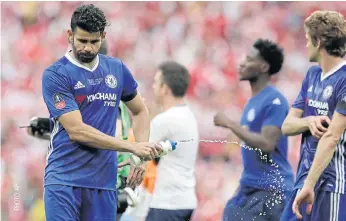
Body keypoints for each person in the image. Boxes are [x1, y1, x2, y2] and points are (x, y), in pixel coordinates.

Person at [41, 4, 161, 221]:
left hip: (104, 183)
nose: (87, 48)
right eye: (82, 41)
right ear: (70, 35)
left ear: (103, 37)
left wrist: (141, 160)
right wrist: (132, 147)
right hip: (64, 181)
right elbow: (77, 131)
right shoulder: (56, 75)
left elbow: (141, 111)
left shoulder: (116, 69)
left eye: (94, 42)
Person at [214, 39, 294, 221]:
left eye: (249, 59)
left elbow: (267, 143)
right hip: (251, 187)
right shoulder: (252, 102)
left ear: (264, 67)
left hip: (272, 190)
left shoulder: (275, 100)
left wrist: (230, 124)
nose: (242, 63)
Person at [280, 10, 346, 221]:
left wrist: (310, 183)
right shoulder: (312, 75)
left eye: (308, 39)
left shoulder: (344, 80)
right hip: (304, 182)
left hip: (332, 184)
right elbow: (287, 126)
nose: (305, 44)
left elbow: (332, 136)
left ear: (318, 42)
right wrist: (308, 121)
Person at [143, 61, 199, 221]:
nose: (153, 87)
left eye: (155, 82)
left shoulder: (165, 120)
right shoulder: (188, 115)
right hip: (185, 199)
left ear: (165, 89)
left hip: (167, 203)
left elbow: (138, 150)